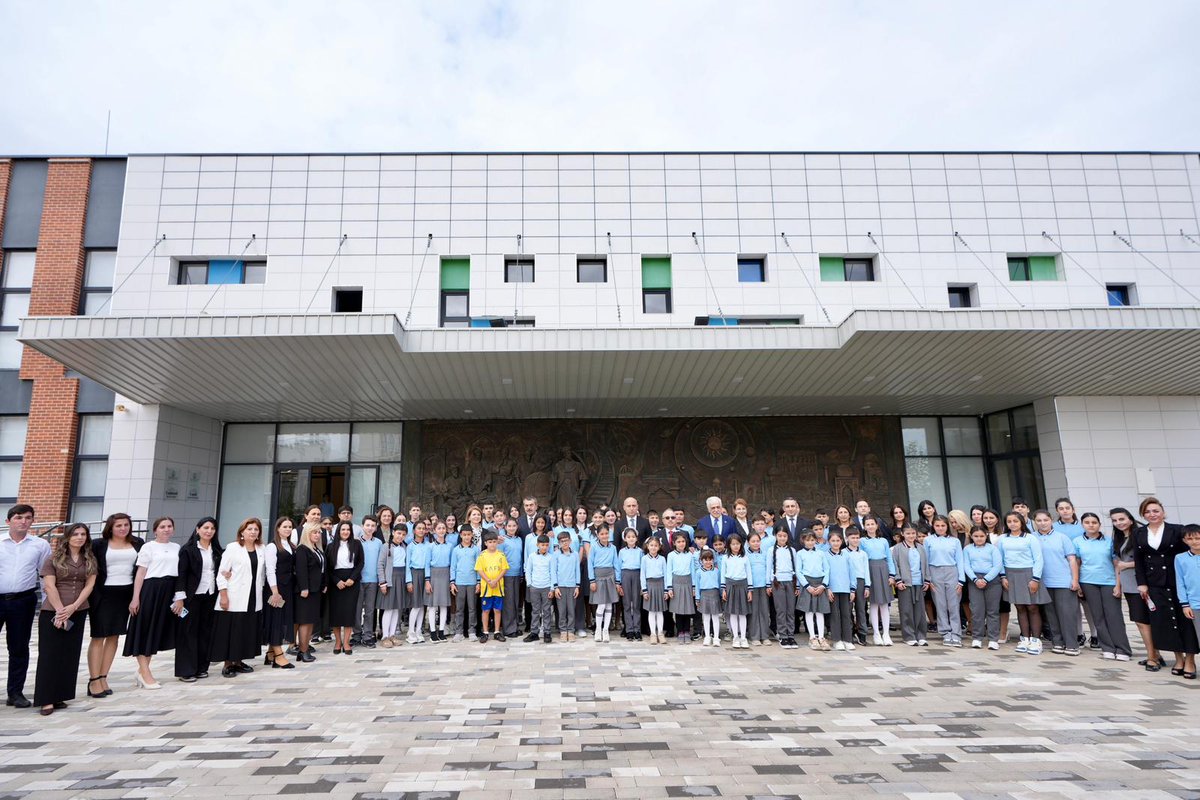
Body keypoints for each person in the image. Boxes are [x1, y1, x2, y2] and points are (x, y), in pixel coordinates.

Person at [33, 522, 95, 715]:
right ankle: (46, 700)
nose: (79, 537)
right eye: (75, 534)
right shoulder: (54, 559)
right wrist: (61, 611)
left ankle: (60, 695)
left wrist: (73, 608)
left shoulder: (90, 559)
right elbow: (49, 586)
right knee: (49, 656)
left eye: (83, 534)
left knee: (69, 655)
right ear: (67, 537)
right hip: (53, 612)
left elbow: (89, 585)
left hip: (78, 610)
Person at [1134, 497, 1199, 677]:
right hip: (1155, 584)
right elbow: (1138, 560)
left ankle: (1190, 659)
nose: (1152, 514)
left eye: (1155, 511)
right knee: (1166, 622)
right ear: (1142, 514)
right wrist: (1142, 583)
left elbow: (1189, 551)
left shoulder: (1177, 530)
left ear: (1163, 512)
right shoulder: (1139, 533)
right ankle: (1178, 658)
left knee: (1186, 621)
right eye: (1147, 512)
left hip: (1177, 581)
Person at [86, 512, 142, 699]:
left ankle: (103, 677)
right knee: (98, 636)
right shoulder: (98, 544)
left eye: (126, 524)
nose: (123, 528)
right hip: (102, 594)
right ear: (111, 527)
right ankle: (94, 680)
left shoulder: (137, 543)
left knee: (114, 636)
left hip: (125, 594)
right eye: (118, 525)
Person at [1, 504, 50, 709]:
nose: (23, 521)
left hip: (23, 601)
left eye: (28, 518)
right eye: (18, 517)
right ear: (8, 521)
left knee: (19, 647)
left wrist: (49, 601)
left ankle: (15, 692)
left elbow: (46, 574)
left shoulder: (40, 545)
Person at [123, 517, 181, 689]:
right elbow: (140, 573)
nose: (166, 529)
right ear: (155, 530)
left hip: (169, 590)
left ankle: (143, 670)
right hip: (151, 590)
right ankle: (145, 673)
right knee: (145, 628)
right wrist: (135, 598)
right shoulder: (148, 547)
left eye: (169, 526)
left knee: (157, 630)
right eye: (162, 527)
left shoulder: (176, 548)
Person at [212, 518, 268, 675]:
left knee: (246, 629)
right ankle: (228, 664)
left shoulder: (261, 548)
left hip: (253, 595)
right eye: (249, 529)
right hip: (234, 595)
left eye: (256, 529)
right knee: (231, 629)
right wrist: (223, 595)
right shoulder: (233, 548)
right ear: (242, 532)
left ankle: (239, 660)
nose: (253, 532)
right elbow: (222, 574)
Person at [1075, 512, 1131, 661]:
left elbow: (1117, 565)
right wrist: (1078, 584)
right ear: (1082, 525)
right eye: (1087, 522)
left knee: (1114, 616)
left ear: (1099, 524)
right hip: (1088, 582)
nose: (1091, 525)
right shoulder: (1077, 542)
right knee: (1097, 617)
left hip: (1109, 582)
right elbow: (1077, 564)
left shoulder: (1110, 541)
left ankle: (1122, 649)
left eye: (1094, 522)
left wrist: (1118, 585)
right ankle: (1107, 647)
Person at [173, 517, 222, 682]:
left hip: (209, 596)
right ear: (197, 529)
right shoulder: (188, 550)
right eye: (206, 528)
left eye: (212, 529)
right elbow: (181, 575)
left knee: (205, 632)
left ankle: (201, 667)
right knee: (187, 632)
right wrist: (179, 598)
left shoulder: (216, 550)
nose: (209, 531)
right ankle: (186, 670)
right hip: (190, 598)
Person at [1111, 507, 1159, 669]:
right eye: (1115, 520)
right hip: (1128, 586)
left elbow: (1148, 559)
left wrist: (1128, 564)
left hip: (1141, 584)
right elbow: (1118, 565)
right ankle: (1154, 653)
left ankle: (1152, 656)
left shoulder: (1140, 535)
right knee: (1140, 621)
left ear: (1130, 519)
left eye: (1122, 519)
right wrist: (1118, 585)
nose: (1119, 523)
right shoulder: (1118, 538)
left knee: (1143, 622)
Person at [1032, 509, 1081, 656]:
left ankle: (1072, 644)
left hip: (1063, 580)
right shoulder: (1032, 537)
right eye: (1039, 521)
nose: (1042, 523)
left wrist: (1075, 579)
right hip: (1044, 582)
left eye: (1045, 520)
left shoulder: (1062, 537)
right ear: (1035, 522)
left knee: (1067, 614)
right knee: (1051, 614)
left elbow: (1072, 559)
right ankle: (1058, 642)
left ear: (1051, 520)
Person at [998, 510, 1047, 656]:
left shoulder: (1030, 538)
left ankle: (1036, 640)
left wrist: (1035, 579)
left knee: (1032, 607)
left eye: (1015, 521)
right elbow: (999, 559)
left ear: (1022, 522)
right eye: (1009, 521)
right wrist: (1003, 577)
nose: (1012, 524)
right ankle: (1025, 638)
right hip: (1010, 574)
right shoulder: (1002, 539)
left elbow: (1038, 559)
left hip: (1028, 573)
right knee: (1019, 607)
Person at [924, 515, 966, 647]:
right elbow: (926, 560)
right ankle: (945, 632)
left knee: (953, 604)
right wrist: (928, 579)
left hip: (952, 571)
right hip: (935, 572)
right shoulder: (928, 540)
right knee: (940, 604)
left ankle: (956, 633)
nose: (940, 528)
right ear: (933, 526)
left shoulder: (955, 541)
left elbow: (960, 560)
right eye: (937, 526)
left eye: (943, 525)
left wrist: (961, 580)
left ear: (947, 526)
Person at [262, 517, 297, 668]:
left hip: (288, 588)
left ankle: (270, 653)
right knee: (276, 620)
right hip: (276, 589)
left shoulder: (291, 545)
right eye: (284, 526)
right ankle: (278, 655)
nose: (288, 529)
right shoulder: (272, 546)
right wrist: (275, 592)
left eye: (290, 527)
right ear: (277, 528)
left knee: (282, 619)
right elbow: (270, 570)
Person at [963, 526, 1003, 649]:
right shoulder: (967, 549)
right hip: (974, 580)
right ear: (971, 537)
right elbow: (966, 565)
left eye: (981, 536)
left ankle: (993, 639)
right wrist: (975, 579)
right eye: (976, 536)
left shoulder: (993, 548)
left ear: (986, 536)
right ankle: (977, 637)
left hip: (992, 580)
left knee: (992, 610)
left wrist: (986, 579)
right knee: (977, 610)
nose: (979, 538)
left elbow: (997, 565)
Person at [859, 517, 896, 646]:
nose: (870, 526)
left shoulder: (884, 541)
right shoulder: (862, 541)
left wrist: (892, 575)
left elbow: (889, 559)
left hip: (883, 569)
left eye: (872, 524)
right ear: (864, 526)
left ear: (877, 525)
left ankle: (886, 633)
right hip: (870, 569)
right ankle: (876, 633)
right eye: (867, 524)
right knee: (874, 604)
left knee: (885, 603)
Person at [891, 526, 929, 646]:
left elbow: (926, 565)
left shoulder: (921, 548)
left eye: (913, 533)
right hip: (905, 583)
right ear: (902, 534)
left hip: (919, 582)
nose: (911, 536)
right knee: (906, 610)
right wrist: (898, 580)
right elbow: (894, 565)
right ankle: (908, 636)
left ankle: (921, 635)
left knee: (920, 611)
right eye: (908, 533)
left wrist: (927, 580)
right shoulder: (897, 548)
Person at [293, 522, 326, 662]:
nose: (317, 535)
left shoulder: (317, 549)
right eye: (314, 532)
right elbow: (301, 571)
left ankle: (305, 649)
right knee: (305, 622)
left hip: (316, 591)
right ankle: (303, 650)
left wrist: (324, 584)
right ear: (307, 533)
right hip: (306, 592)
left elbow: (322, 569)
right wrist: (304, 588)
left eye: (318, 533)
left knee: (311, 621)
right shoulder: (302, 549)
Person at [795, 531, 830, 650]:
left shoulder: (821, 553)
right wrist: (806, 586)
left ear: (816, 540)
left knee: (820, 611)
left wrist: (823, 585)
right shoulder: (800, 554)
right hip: (807, 583)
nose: (810, 542)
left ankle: (821, 637)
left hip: (820, 583)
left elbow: (827, 569)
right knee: (809, 611)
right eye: (807, 540)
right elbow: (798, 571)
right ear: (803, 541)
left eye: (812, 540)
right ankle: (812, 637)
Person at [352, 515, 383, 648]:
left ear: (376, 528)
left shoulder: (379, 543)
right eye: (367, 525)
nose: (370, 528)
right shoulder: (356, 542)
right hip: (359, 580)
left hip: (373, 580)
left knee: (370, 610)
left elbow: (381, 563)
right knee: (357, 609)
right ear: (362, 526)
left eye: (372, 526)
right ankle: (356, 634)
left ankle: (368, 635)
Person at [475, 531, 510, 642]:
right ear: (486, 543)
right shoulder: (482, 555)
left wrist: (496, 580)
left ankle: (496, 632)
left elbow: (504, 569)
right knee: (486, 610)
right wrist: (489, 581)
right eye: (490, 542)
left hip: (498, 587)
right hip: (487, 587)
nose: (492, 544)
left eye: (494, 542)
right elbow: (480, 570)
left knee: (497, 610)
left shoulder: (501, 555)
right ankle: (485, 632)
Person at [824, 531, 856, 651]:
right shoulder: (825, 555)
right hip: (833, 589)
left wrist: (852, 589)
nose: (836, 543)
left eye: (838, 541)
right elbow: (825, 573)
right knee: (835, 615)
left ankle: (847, 639)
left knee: (846, 614)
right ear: (829, 542)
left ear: (842, 541)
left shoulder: (847, 555)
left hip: (846, 589)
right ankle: (837, 640)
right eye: (833, 541)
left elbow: (852, 572)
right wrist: (827, 588)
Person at [1176, 525, 1200, 678]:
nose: (1195, 541)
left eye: (1198, 538)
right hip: (1195, 604)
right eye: (1190, 538)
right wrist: (1185, 604)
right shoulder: (1180, 558)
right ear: (1185, 540)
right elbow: (1180, 582)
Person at [589, 526, 620, 643]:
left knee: (609, 605)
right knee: (601, 605)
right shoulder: (594, 547)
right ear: (598, 535)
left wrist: (617, 581)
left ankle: (606, 630)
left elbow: (616, 564)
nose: (604, 536)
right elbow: (590, 564)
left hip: (610, 577)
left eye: (606, 533)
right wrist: (592, 580)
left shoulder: (613, 548)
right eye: (602, 534)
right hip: (598, 577)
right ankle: (598, 629)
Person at [769, 528, 799, 649]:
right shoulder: (772, 550)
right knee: (781, 609)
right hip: (777, 582)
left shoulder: (792, 550)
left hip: (790, 581)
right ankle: (783, 635)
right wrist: (768, 584)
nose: (782, 538)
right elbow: (769, 568)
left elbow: (796, 568)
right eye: (780, 536)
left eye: (784, 536)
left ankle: (790, 635)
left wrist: (797, 585)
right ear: (776, 536)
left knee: (790, 609)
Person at [448, 526, 479, 642]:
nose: (466, 537)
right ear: (460, 535)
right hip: (459, 583)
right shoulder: (456, 550)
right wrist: (452, 582)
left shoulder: (476, 549)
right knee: (459, 608)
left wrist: (478, 582)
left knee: (472, 608)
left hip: (472, 583)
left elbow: (478, 567)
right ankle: (459, 631)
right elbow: (453, 567)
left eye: (469, 534)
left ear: (472, 535)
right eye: (464, 534)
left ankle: (472, 631)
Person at [523, 535, 555, 643]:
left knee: (546, 611)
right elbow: (528, 570)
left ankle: (547, 632)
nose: (544, 547)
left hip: (546, 587)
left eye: (546, 545)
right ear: (537, 545)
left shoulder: (551, 557)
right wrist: (530, 584)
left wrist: (552, 588)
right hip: (535, 587)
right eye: (542, 545)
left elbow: (552, 573)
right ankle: (534, 632)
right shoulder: (532, 556)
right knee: (535, 611)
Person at [426, 522, 454, 642]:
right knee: (432, 605)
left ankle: (441, 630)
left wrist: (452, 580)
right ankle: (433, 631)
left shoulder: (450, 546)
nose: (441, 530)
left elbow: (452, 564)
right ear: (434, 530)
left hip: (445, 574)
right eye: (439, 528)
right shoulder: (430, 546)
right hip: (434, 575)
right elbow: (427, 564)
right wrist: (427, 580)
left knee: (444, 605)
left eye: (443, 528)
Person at [666, 532, 697, 644]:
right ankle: (680, 631)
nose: (681, 544)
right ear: (674, 543)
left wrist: (693, 587)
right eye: (678, 542)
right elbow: (668, 571)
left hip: (687, 582)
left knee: (687, 609)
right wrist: (669, 588)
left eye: (683, 541)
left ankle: (687, 631)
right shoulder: (671, 555)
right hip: (676, 583)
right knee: (678, 609)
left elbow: (693, 571)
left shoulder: (690, 555)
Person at [404, 520, 431, 643]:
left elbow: (428, 563)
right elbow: (407, 565)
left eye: (423, 528)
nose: (421, 530)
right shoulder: (410, 546)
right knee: (415, 605)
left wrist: (428, 579)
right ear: (414, 530)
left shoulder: (428, 545)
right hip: (414, 574)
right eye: (418, 528)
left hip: (425, 574)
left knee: (422, 605)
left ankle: (419, 630)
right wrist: (409, 581)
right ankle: (411, 631)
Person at [722, 534, 750, 649]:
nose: (735, 546)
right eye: (733, 544)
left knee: (742, 613)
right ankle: (735, 637)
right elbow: (722, 574)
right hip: (730, 586)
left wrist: (750, 590)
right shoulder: (725, 558)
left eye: (737, 544)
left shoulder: (745, 557)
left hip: (743, 585)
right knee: (733, 613)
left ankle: (743, 637)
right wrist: (723, 589)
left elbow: (749, 574)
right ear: (729, 545)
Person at [746, 527, 772, 646]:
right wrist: (749, 588)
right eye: (753, 541)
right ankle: (754, 636)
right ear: (748, 543)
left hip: (763, 586)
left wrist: (768, 584)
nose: (756, 543)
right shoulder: (746, 555)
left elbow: (768, 569)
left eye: (757, 541)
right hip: (752, 587)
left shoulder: (765, 554)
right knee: (754, 612)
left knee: (764, 611)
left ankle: (765, 635)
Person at [499, 519, 524, 638]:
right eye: (509, 526)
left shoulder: (519, 540)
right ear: (505, 527)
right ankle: (508, 629)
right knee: (508, 602)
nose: (512, 528)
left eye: (514, 525)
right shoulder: (502, 540)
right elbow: (500, 558)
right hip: (507, 575)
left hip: (517, 574)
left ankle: (515, 626)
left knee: (515, 602)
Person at [639, 535, 667, 644]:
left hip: (660, 585)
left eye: (656, 545)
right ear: (647, 546)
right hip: (649, 585)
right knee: (651, 611)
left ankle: (660, 633)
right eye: (651, 545)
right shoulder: (644, 559)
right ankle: (653, 633)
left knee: (659, 611)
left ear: (659, 547)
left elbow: (666, 575)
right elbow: (642, 575)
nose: (653, 547)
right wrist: (644, 590)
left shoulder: (662, 559)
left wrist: (666, 590)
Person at [617, 528, 643, 641]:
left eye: (633, 536)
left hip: (637, 574)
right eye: (629, 537)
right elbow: (618, 567)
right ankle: (629, 629)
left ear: (636, 538)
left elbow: (643, 567)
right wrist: (619, 582)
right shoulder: (622, 551)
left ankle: (637, 629)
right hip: (625, 574)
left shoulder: (640, 551)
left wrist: (643, 584)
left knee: (636, 604)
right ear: (625, 538)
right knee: (627, 604)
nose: (631, 539)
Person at [694, 550, 722, 647]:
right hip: (704, 595)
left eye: (710, 560)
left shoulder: (717, 571)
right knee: (705, 618)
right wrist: (697, 598)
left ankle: (716, 638)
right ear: (701, 560)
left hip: (714, 594)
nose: (708, 562)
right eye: (705, 560)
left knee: (715, 617)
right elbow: (697, 586)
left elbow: (719, 583)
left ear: (713, 560)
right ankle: (707, 637)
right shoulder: (698, 572)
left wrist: (721, 595)